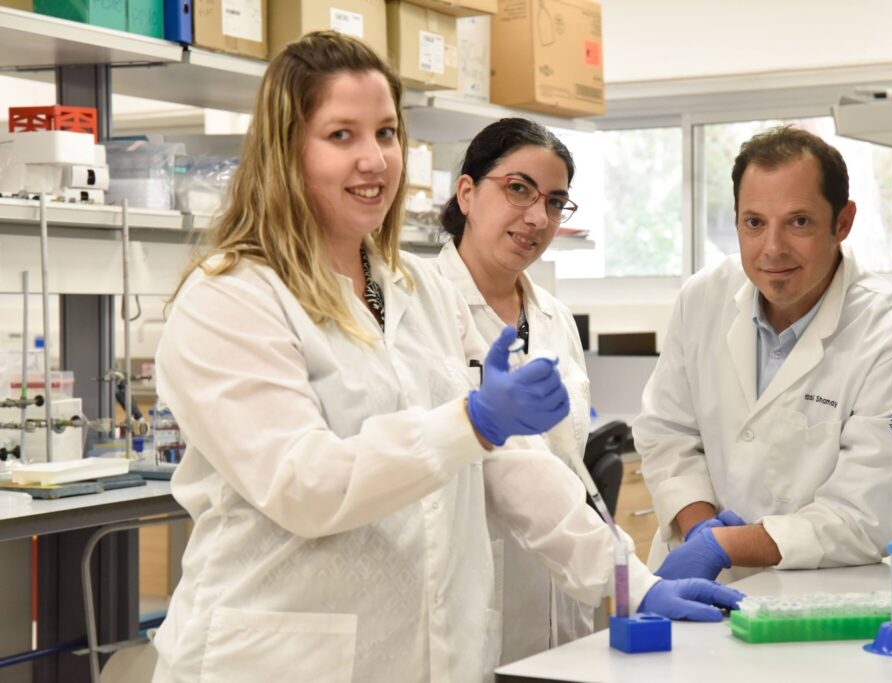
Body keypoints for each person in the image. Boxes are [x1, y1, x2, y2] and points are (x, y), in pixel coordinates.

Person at [151, 32, 742, 682]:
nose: (374, 160)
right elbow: (303, 484)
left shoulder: (417, 290)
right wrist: (473, 422)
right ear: (286, 151)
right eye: (341, 135)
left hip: (428, 652)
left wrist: (629, 577)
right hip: (279, 657)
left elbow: (512, 463)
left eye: (386, 132)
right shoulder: (232, 296)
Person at [635, 125, 892, 583]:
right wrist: (700, 527)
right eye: (754, 222)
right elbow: (666, 432)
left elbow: (864, 516)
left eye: (799, 221)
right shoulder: (703, 298)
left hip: (811, 593)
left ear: (842, 222)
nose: (773, 248)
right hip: (692, 585)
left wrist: (724, 545)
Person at [436, 118, 594, 662]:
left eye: (555, 202)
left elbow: (568, 465)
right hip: (471, 596)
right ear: (467, 193)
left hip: (563, 595)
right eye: (519, 189)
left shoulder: (555, 317)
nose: (537, 217)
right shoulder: (424, 310)